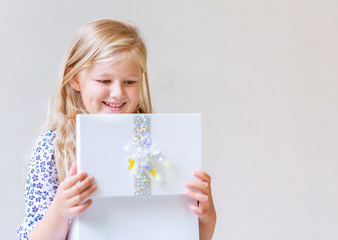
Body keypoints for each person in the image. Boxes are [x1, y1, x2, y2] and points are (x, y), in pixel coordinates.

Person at [17, 18, 217, 240]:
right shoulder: (52, 149)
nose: (118, 93)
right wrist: (60, 211)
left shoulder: (155, 146)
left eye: (129, 82)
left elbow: (191, 234)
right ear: (75, 79)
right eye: (104, 81)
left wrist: (205, 217)